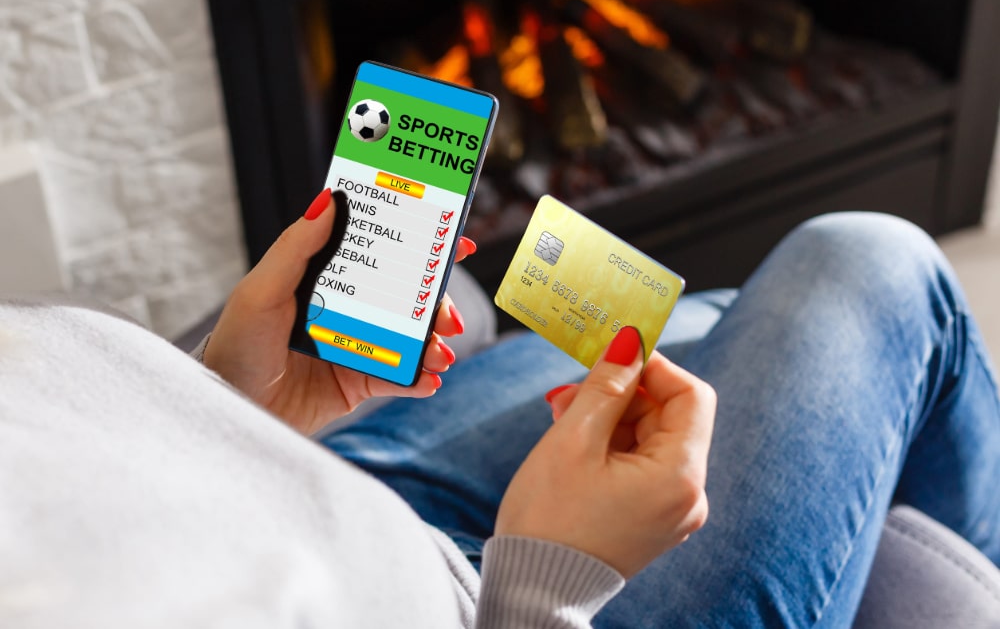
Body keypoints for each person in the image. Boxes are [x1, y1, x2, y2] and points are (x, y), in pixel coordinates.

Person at [0, 187, 997, 628]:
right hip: (510, 607)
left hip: (307, 492)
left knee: (709, 328)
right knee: (866, 262)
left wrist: (225, 407)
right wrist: (541, 589)